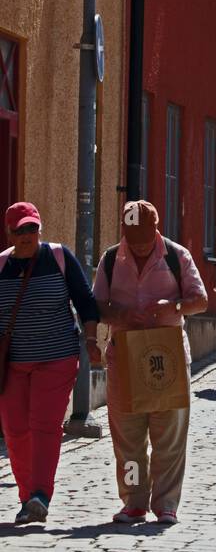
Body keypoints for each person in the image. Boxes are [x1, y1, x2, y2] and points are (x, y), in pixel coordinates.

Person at [94, 200, 208, 526]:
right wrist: (120, 314)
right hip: (124, 357)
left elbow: (200, 301)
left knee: (168, 435)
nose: (140, 245)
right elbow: (97, 305)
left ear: (156, 229)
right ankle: (133, 502)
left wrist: (172, 306)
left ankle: (166, 503)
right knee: (128, 439)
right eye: (133, 238)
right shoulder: (112, 259)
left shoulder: (176, 256)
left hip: (166, 357)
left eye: (145, 238)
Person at [0, 202, 100, 525]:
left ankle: (40, 495)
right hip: (13, 363)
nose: (27, 236)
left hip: (57, 358)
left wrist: (92, 341)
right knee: (15, 430)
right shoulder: (2, 266)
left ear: (39, 229)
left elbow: (86, 302)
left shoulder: (58, 258)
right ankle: (27, 495)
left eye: (32, 229)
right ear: (9, 232)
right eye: (20, 230)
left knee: (43, 426)